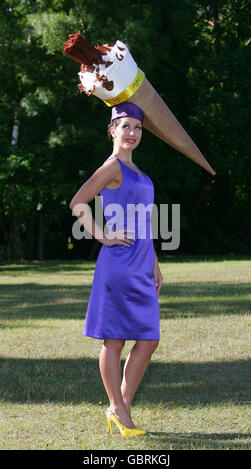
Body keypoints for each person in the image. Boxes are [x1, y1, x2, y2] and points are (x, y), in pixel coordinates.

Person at [69, 102, 163, 437]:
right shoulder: (112, 167)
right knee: (115, 341)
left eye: (137, 128)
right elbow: (78, 202)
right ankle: (119, 409)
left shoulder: (139, 172)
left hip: (141, 265)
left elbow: (146, 222)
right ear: (112, 130)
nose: (133, 133)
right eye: (125, 126)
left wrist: (154, 263)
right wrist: (104, 236)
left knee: (148, 340)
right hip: (118, 265)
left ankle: (118, 406)